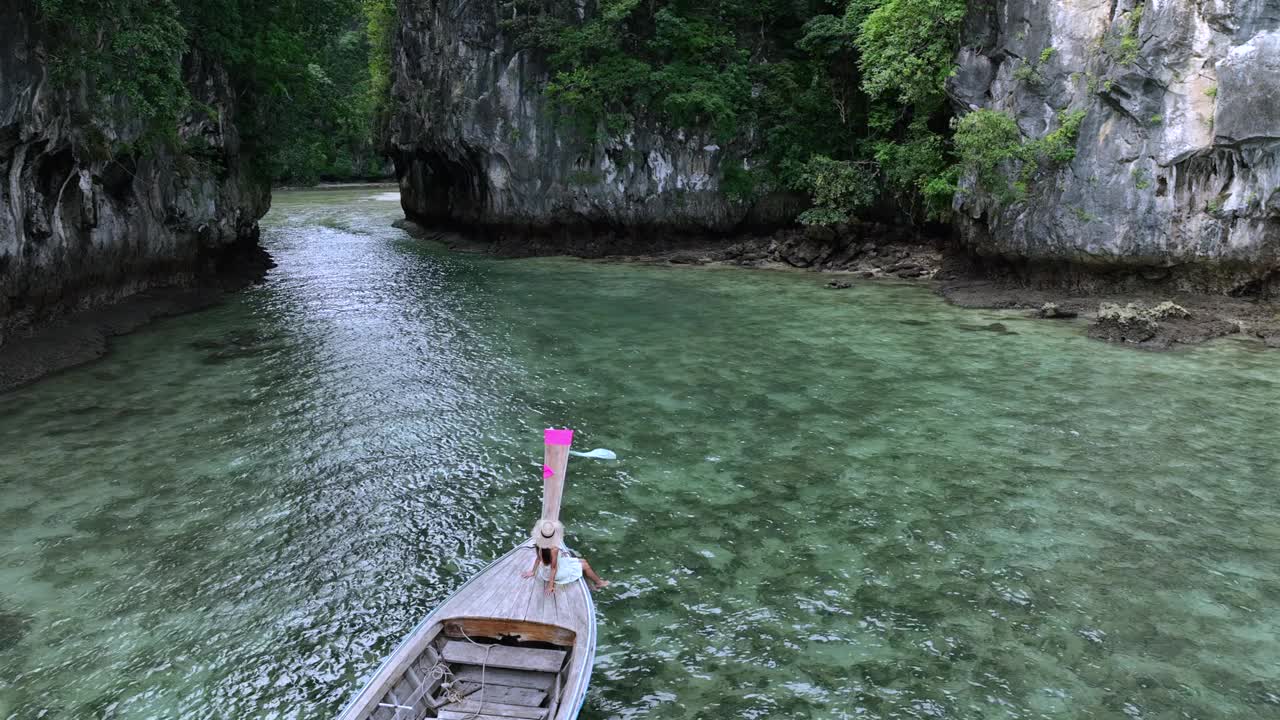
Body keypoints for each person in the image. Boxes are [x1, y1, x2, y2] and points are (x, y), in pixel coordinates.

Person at [522, 518, 609, 594]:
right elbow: (553, 568)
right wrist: (550, 585)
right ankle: (599, 583)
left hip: (545, 569)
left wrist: (533, 571)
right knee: (585, 565)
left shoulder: (539, 542)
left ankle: (593, 582)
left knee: (583, 561)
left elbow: (538, 558)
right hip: (552, 573)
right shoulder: (554, 549)